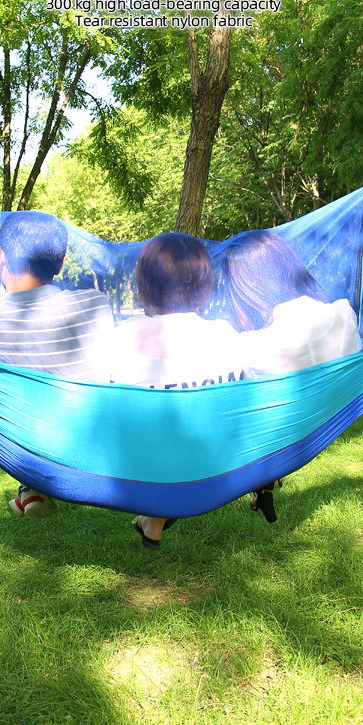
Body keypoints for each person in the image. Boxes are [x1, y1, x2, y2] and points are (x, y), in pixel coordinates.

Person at [0, 210, 114, 520]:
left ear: (1, 255)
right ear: (60, 264)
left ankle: (31, 481)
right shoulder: (93, 304)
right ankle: (33, 484)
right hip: (85, 438)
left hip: (15, 439)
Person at [110, 232, 244, 550]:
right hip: (216, 465)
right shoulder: (225, 334)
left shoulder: (126, 335)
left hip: (142, 469)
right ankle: (154, 519)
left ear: (146, 284)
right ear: (204, 283)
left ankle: (155, 515)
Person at [223, 229, 362, 522]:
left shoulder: (253, 346)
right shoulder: (344, 314)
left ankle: (264, 480)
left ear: (248, 286)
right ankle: (265, 484)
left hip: (280, 433)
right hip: (331, 415)